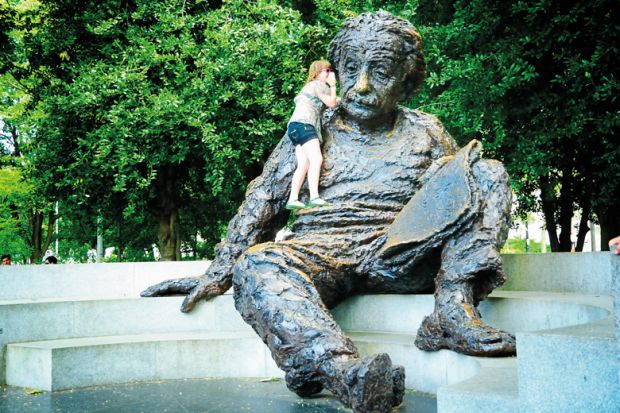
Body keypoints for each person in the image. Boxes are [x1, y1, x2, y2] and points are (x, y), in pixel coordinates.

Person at [143, 12, 514, 413]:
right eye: (351, 69)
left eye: (382, 72)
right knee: (257, 263)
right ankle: (343, 372)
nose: (362, 86)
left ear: (407, 80)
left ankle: (453, 311)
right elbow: (263, 202)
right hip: (322, 249)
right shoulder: (310, 130)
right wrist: (218, 272)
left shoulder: (427, 131)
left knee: (484, 172)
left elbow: (452, 201)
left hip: (400, 252)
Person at [285, 60, 337, 209]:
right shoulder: (318, 85)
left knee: (304, 164)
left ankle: (292, 199)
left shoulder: (309, 87)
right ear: (317, 72)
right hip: (305, 125)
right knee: (316, 159)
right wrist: (333, 85)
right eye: (326, 71)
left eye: (330, 70)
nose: (329, 73)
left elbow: (331, 101)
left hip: (294, 127)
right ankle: (314, 196)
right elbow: (332, 103)